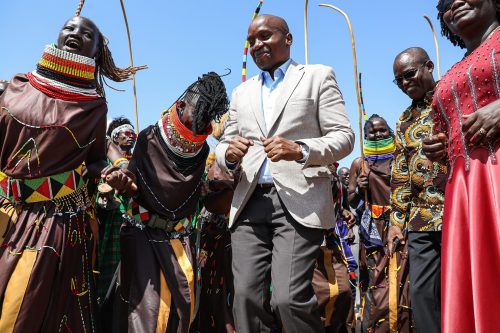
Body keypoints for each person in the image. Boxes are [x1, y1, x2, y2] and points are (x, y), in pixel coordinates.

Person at [0, 15, 142, 332]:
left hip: (51, 221)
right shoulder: (18, 85)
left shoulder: (93, 106)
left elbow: (93, 162)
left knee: (22, 308)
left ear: (95, 51)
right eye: (69, 27)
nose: (76, 32)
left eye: (86, 32)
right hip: (3, 209)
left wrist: (111, 173)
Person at [215, 14, 354, 333]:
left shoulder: (318, 77)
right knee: (246, 298)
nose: (257, 44)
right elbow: (223, 144)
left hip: (300, 201)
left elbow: (344, 137)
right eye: (251, 41)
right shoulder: (242, 92)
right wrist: (230, 154)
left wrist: (301, 150)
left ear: (288, 39)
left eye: (265, 36)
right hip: (249, 203)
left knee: (288, 299)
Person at [105, 72, 229, 333]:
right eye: (199, 113)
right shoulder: (150, 137)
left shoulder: (204, 151)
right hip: (141, 235)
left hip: (179, 241)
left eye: (208, 118)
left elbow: (202, 197)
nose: (200, 124)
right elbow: (126, 177)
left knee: (182, 309)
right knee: (148, 313)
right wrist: (121, 174)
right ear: (181, 106)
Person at [422, 1, 500, 332]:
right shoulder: (452, 71)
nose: (455, 2)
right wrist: (440, 148)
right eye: (445, 4)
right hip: (464, 192)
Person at [389, 47, 446, 333]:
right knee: (423, 294)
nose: (404, 83)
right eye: (398, 80)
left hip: (458, 212)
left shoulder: (453, 97)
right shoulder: (402, 120)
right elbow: (400, 175)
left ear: (429, 66)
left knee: (463, 286)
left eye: (409, 74)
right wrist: (395, 224)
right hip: (421, 221)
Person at [348, 115, 413, 333]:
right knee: (376, 281)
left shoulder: (400, 157)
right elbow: (349, 201)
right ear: (365, 136)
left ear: (390, 131)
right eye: (372, 132)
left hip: (400, 225)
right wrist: (359, 187)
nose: (377, 134)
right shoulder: (360, 163)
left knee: (404, 280)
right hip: (374, 232)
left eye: (382, 130)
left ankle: (405, 326)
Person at [96, 117, 136, 302]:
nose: (131, 136)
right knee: (109, 282)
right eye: (127, 133)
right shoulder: (103, 163)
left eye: (133, 133)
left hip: (136, 229)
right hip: (111, 226)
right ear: (115, 137)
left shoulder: (139, 163)